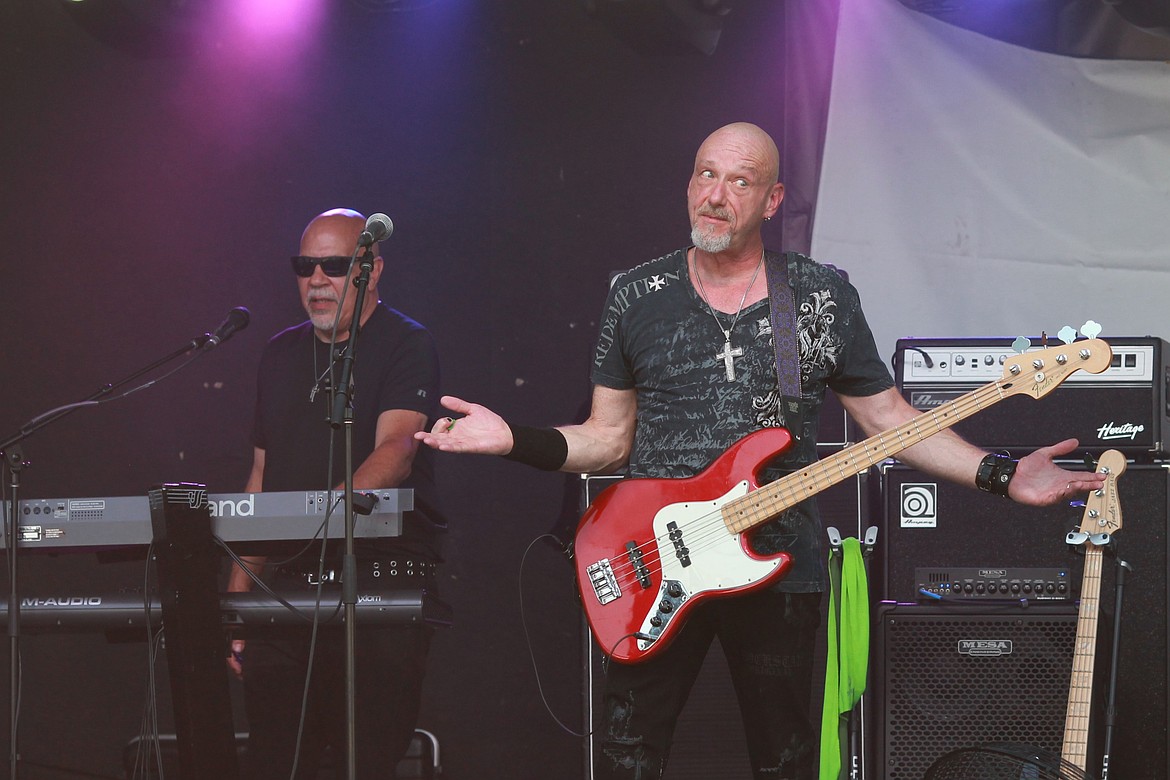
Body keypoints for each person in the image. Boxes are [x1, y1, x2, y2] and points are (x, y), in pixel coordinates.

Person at [414, 123, 1104, 779]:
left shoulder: (819, 295)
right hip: (651, 560)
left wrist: (1002, 474)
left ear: (772, 201)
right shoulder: (636, 295)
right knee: (628, 755)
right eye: (705, 175)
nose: (716, 194)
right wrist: (513, 441)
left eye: (740, 182)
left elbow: (890, 419)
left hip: (779, 567)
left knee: (785, 758)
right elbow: (607, 439)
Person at [227, 208, 444, 780]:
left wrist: (316, 519)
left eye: (333, 265)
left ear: (370, 272)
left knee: (365, 756)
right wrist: (238, 602)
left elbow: (396, 451)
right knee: (276, 756)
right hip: (285, 586)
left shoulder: (405, 342)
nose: (317, 279)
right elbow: (260, 480)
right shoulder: (278, 353)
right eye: (305, 265)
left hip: (377, 576)